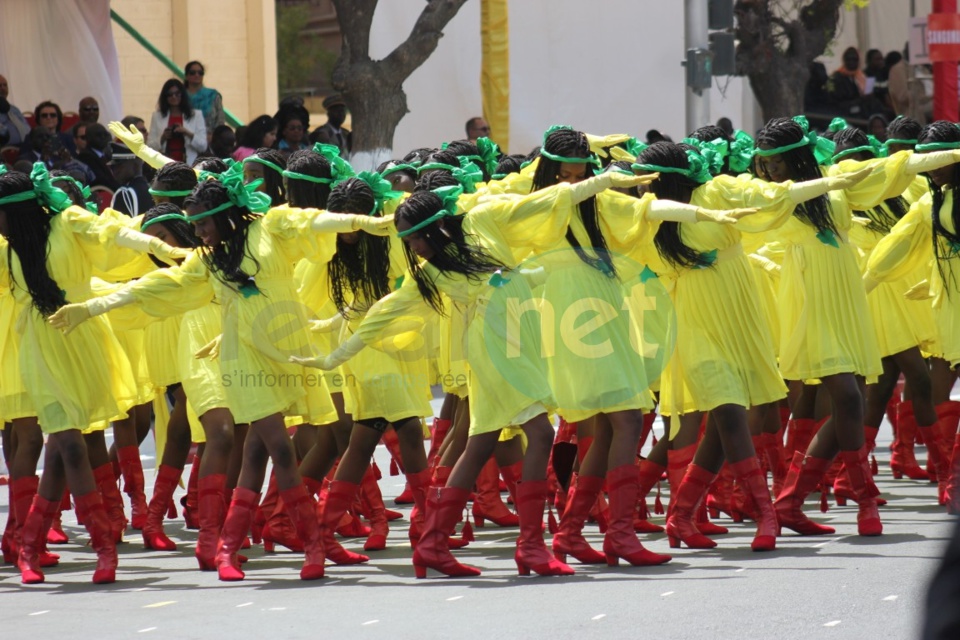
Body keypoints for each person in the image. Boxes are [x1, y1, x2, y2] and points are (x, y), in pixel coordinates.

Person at [2, 164, 188, 585]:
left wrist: (164, 249)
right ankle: (104, 547)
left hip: (81, 342)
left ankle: (29, 547)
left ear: (16, 211)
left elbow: (113, 235)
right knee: (67, 444)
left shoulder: (68, 221)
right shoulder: (9, 248)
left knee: (64, 453)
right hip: (38, 348)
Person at [148, 79, 207, 165]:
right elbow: (149, 146)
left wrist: (186, 133)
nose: (174, 97)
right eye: (170, 94)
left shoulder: (196, 115)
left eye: (177, 94)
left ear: (182, 95)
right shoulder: (157, 116)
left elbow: (203, 146)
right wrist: (163, 138)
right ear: (165, 97)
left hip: (189, 164)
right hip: (165, 164)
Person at [183, 61, 224, 143]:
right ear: (186, 75)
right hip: (185, 140)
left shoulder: (212, 95)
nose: (196, 75)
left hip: (210, 141)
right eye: (192, 73)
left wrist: (214, 137)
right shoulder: (179, 96)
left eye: (200, 73)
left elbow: (220, 120)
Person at [108, 143, 152, 216]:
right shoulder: (151, 190)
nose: (115, 171)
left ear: (136, 165)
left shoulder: (124, 193)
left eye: (119, 166)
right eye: (112, 167)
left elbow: (116, 226)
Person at [78, 123, 121, 190]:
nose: (103, 137)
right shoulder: (86, 156)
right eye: (99, 135)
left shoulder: (107, 155)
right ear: (88, 138)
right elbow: (102, 180)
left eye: (105, 134)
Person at [0, 74, 31, 146]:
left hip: (24, 148)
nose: (3, 88)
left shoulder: (14, 109)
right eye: (0, 85)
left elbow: (27, 127)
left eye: (5, 85)